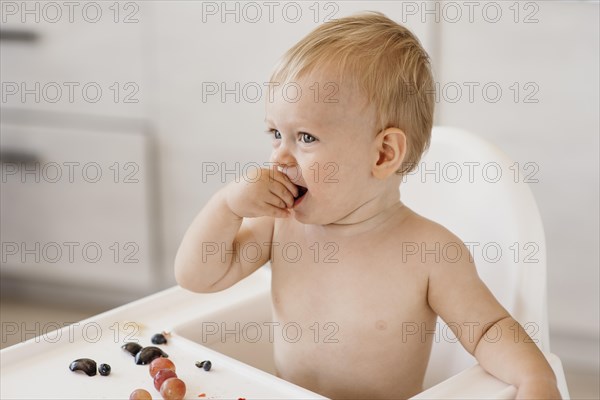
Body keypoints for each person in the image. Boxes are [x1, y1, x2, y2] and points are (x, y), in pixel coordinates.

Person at [175, 11, 561, 400]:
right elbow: (198, 276)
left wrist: (535, 380)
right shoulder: (280, 225)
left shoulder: (429, 251)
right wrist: (227, 206)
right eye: (276, 133)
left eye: (305, 137)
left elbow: (488, 329)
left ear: (382, 155)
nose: (279, 159)